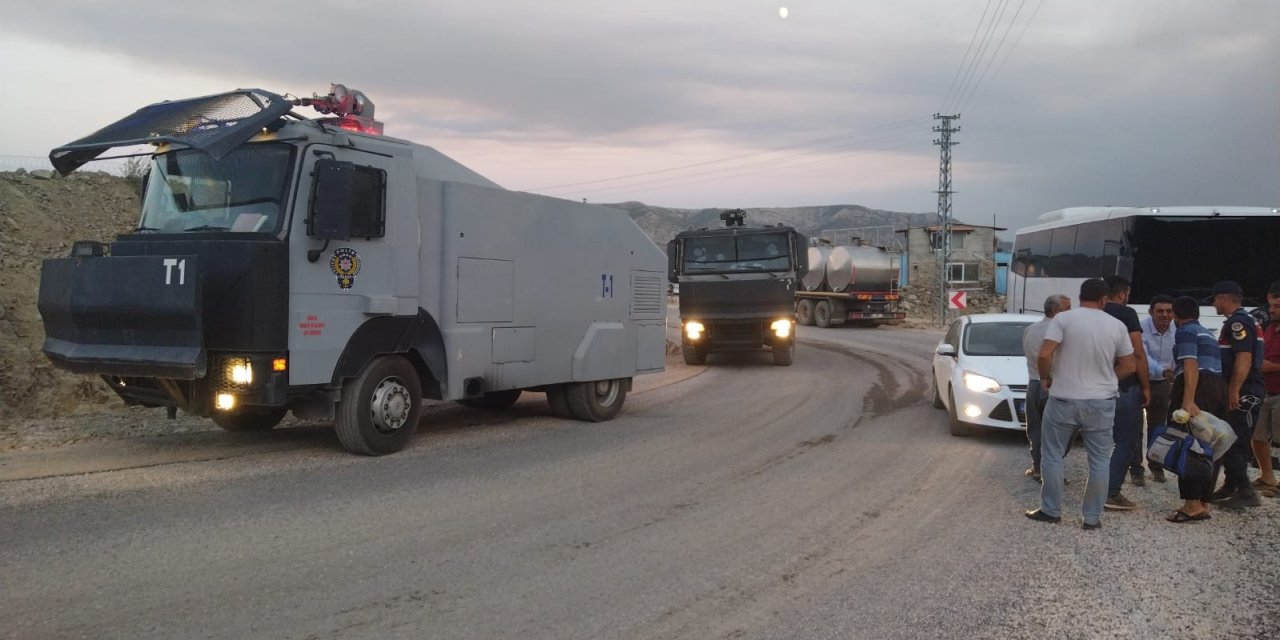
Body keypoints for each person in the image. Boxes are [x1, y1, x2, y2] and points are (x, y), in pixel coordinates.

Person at [1025, 278, 1136, 530]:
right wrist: (1107, 379)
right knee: (1099, 459)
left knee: (1052, 454)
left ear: (1079, 297)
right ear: (1104, 299)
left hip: (1063, 397)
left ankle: (1051, 510)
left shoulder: (1063, 320)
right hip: (1101, 401)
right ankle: (1091, 518)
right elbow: (1129, 365)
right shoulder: (1116, 325)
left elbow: (1044, 353)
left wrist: (1045, 377)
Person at [1164, 296, 1228, 522]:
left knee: (1189, 442)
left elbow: (1191, 363)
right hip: (1217, 386)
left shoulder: (1185, 331)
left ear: (1175, 315)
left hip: (1198, 387)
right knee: (1210, 443)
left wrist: (1188, 399)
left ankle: (1192, 503)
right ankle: (1204, 501)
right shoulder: (1206, 332)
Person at [1210, 280, 1263, 509]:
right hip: (1245, 389)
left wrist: (1234, 390)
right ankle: (1231, 486)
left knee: (1233, 442)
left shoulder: (1238, 323)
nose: (1213, 304)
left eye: (1215, 299)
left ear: (1224, 298)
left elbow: (1244, 358)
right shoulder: (1245, 320)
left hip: (1245, 392)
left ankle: (1246, 492)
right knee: (1233, 438)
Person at [1101, 275, 1150, 510]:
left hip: (1093, 388)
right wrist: (1146, 386)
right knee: (1125, 441)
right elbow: (1137, 353)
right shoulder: (1126, 314)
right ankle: (1110, 492)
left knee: (1096, 441)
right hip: (1124, 387)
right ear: (1122, 294)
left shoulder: (1090, 314)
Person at [1022, 294, 1071, 481]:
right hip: (1056, 384)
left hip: (1034, 383)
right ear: (1056, 311)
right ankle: (1051, 470)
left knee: (1036, 429)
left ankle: (1038, 467)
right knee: (1059, 431)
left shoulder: (1030, 330)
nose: (1071, 312)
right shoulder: (1062, 332)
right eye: (1068, 308)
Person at [1132, 294, 1177, 483]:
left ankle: (1156, 465)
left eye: (1169, 311)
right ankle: (1135, 469)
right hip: (1138, 381)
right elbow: (1141, 356)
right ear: (1151, 312)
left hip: (1162, 385)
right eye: (1160, 311)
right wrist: (1162, 370)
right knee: (1135, 428)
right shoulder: (1140, 328)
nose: (1165, 315)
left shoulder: (1178, 329)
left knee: (1158, 428)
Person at [1250, 285, 1280, 496]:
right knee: (1257, 436)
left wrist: (1273, 367)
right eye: (1272, 305)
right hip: (1265, 391)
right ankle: (1267, 476)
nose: (1272, 310)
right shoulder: (1269, 328)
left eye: (1277, 306)